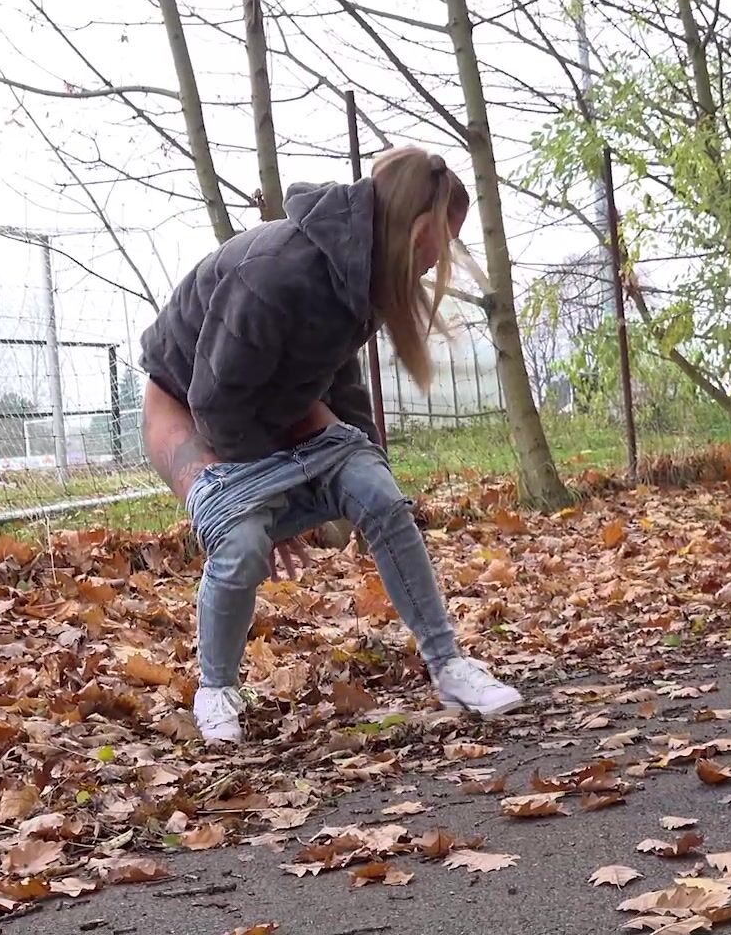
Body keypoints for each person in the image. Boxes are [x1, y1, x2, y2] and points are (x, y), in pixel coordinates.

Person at [138, 145, 525, 743]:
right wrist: (271, 505)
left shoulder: (361, 274)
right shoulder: (277, 272)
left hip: (275, 403)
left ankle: (448, 665)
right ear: (416, 228)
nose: (439, 260)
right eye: (442, 242)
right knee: (242, 540)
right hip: (187, 409)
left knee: (380, 496)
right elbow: (215, 400)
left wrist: (372, 479)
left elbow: (337, 380)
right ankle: (214, 688)